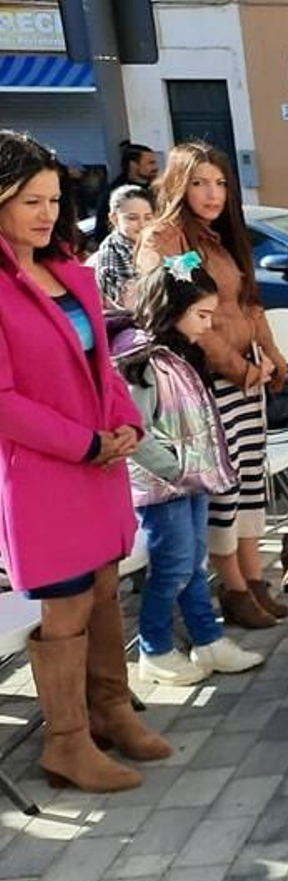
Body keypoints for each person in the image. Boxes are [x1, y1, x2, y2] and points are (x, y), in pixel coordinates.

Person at [0, 130, 171, 793]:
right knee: (66, 602)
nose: (46, 213)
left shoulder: (68, 268)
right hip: (45, 472)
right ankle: (66, 742)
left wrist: (126, 421)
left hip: (99, 462)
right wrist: (85, 443)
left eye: (53, 199)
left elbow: (102, 364)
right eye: (29, 201)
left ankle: (111, 710)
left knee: (103, 586)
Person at [136, 142, 288, 630]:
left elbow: (249, 304)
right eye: (200, 182)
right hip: (204, 381)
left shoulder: (221, 236)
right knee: (224, 485)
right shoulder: (167, 239)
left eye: (221, 183)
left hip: (246, 376)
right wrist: (237, 368)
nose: (213, 193)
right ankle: (234, 587)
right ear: (179, 184)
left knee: (250, 479)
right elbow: (188, 319)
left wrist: (272, 356)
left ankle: (253, 580)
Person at [115, 263, 265, 686]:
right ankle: (155, 648)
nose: (208, 324)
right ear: (171, 309)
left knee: (193, 562)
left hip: (190, 480)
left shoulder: (181, 352)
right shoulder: (142, 361)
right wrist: (177, 468)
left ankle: (207, 639)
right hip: (164, 488)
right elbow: (135, 432)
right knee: (173, 567)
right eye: (201, 315)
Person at [94, 184, 156, 309]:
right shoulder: (110, 251)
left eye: (148, 218)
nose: (142, 224)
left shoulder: (156, 241)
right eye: (132, 218)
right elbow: (121, 299)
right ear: (114, 218)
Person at [95, 141, 158, 242]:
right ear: (133, 165)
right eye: (150, 163)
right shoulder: (115, 193)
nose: (155, 167)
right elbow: (102, 230)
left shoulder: (156, 188)